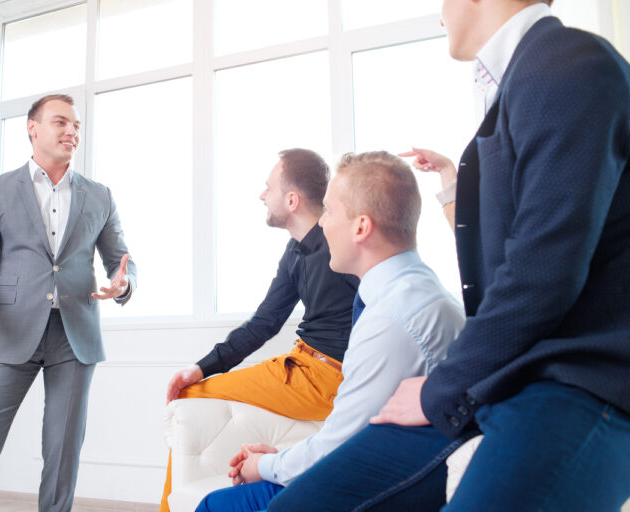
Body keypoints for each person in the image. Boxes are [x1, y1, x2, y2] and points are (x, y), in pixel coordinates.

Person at [264, 1, 630, 510]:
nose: (440, 14)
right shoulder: (520, 84)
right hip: (507, 378)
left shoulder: (570, 65)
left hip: (575, 383)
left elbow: (541, 273)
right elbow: (508, 258)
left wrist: (441, 388)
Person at [195, 151, 466, 512]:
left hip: (373, 487)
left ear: (360, 228)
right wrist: (282, 458)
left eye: (329, 211)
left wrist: (264, 465)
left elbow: (338, 448)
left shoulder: (388, 321)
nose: (322, 224)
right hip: (379, 463)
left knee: (216, 506)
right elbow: (349, 430)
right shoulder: (414, 290)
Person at [0, 94, 137, 512]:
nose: (71, 131)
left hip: (75, 337)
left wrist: (124, 283)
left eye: (76, 125)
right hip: (13, 330)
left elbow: (121, 260)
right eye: (61, 122)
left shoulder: (99, 195)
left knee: (62, 452)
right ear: (33, 128)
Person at [160, 149, 359, 511]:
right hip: (300, 364)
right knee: (191, 389)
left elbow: (374, 308)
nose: (262, 195)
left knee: (188, 396)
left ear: (292, 200)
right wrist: (200, 368)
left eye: (269, 188)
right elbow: (263, 324)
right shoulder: (295, 251)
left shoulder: (339, 246)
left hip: (325, 376)